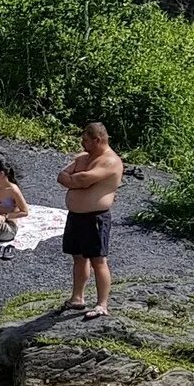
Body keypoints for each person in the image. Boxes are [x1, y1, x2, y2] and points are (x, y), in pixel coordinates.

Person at [55, 122, 124, 318]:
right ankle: (77, 298)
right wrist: (76, 181)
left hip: (95, 217)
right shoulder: (83, 157)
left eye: (85, 140)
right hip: (75, 216)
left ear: (97, 140)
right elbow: (62, 176)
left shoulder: (110, 161)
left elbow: (82, 179)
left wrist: (75, 180)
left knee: (98, 261)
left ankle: (102, 304)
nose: (82, 143)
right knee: (78, 257)